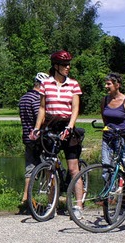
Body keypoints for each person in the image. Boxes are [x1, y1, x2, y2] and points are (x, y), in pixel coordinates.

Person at [31, 51, 83, 218]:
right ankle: (50, 204)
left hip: (67, 125)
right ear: (56, 66)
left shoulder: (73, 84)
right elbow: (42, 108)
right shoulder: (46, 84)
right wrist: (37, 128)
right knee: (49, 167)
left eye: (69, 64)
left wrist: (70, 126)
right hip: (51, 125)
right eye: (65, 65)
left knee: (74, 168)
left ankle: (79, 206)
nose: (68, 67)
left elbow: (75, 108)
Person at [16, 72, 48, 215]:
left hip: (27, 138)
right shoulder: (37, 98)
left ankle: (25, 199)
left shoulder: (23, 98)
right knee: (49, 167)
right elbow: (39, 117)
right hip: (39, 138)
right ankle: (49, 200)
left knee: (30, 170)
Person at [100, 73, 125, 167]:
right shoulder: (104, 100)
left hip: (122, 137)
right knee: (106, 166)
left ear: (117, 85)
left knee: (123, 166)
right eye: (106, 84)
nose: (106, 86)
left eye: (108, 84)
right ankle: (108, 182)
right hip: (108, 137)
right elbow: (104, 117)